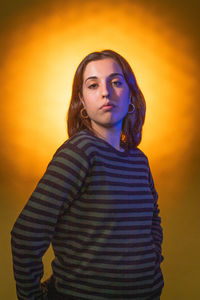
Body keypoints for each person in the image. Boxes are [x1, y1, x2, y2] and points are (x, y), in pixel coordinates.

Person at [11, 49, 164, 300]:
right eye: (93, 85)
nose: (106, 92)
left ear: (130, 94)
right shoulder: (79, 152)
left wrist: (150, 264)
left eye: (116, 82)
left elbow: (152, 221)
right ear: (81, 100)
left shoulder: (138, 160)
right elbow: (26, 235)